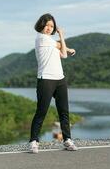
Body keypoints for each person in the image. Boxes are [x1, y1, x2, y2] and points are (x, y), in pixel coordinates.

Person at [29, 13, 78, 153]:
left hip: (60, 79)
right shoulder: (40, 38)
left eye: (52, 26)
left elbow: (63, 55)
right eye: (47, 25)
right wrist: (63, 38)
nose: (49, 28)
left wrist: (63, 41)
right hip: (46, 79)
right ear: (41, 25)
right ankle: (33, 141)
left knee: (64, 112)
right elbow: (62, 48)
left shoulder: (52, 43)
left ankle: (67, 140)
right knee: (41, 111)